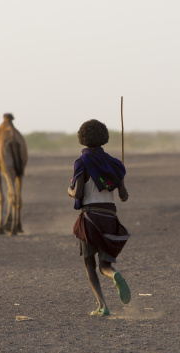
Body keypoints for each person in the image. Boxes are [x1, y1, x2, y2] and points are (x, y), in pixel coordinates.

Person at [67, 119, 131, 317]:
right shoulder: (114, 164)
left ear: (82, 139)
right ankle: (114, 274)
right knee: (105, 266)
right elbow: (124, 196)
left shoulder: (82, 163)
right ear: (103, 137)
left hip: (90, 219)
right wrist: (120, 174)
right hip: (109, 216)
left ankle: (102, 305)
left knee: (89, 264)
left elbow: (77, 194)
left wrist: (68, 190)